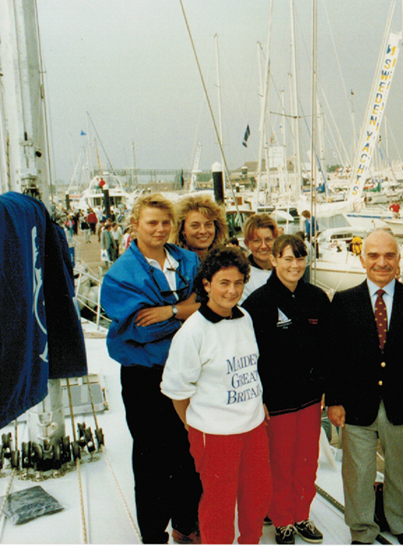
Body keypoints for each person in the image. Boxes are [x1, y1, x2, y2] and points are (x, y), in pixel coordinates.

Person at [99, 193, 202, 544]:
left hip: (189, 371)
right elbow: (140, 328)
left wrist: (169, 311)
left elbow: (208, 303)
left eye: (165, 223)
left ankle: (186, 522)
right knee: (151, 455)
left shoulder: (187, 260)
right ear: (135, 225)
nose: (159, 229)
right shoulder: (119, 275)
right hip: (146, 375)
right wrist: (186, 310)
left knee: (189, 449)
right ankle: (153, 532)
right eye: (151, 223)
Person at [326, 230, 403, 545]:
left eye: (389, 255)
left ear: (398, 258)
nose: (381, 262)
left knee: (400, 469)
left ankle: (400, 522)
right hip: (355, 403)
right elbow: (333, 356)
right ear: (363, 260)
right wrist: (334, 400)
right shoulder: (344, 301)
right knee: (358, 473)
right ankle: (362, 530)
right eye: (374, 255)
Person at [161, 247, 271, 544]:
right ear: (207, 284)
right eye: (224, 282)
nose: (232, 290)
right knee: (219, 506)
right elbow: (177, 391)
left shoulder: (244, 317)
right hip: (216, 433)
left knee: (257, 496)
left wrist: (257, 405)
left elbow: (249, 367)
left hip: (253, 426)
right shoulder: (193, 332)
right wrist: (194, 424)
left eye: (238, 282)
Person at [243, 235, 330, 545]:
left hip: (308, 398)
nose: (295, 265)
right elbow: (250, 356)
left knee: (307, 460)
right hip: (276, 400)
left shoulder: (317, 298)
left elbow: (327, 349)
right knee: (278, 462)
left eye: (300, 259)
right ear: (275, 260)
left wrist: (325, 390)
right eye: (288, 259)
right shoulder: (258, 303)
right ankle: (282, 519)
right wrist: (259, 398)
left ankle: (301, 514)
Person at [172, 194, 227, 260]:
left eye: (208, 225)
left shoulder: (224, 261)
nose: (203, 231)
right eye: (195, 226)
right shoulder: (173, 263)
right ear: (182, 229)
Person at [240, 214, 278, 301]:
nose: (263, 246)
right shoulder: (242, 276)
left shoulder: (286, 269)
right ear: (247, 244)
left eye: (268, 239)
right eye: (257, 241)